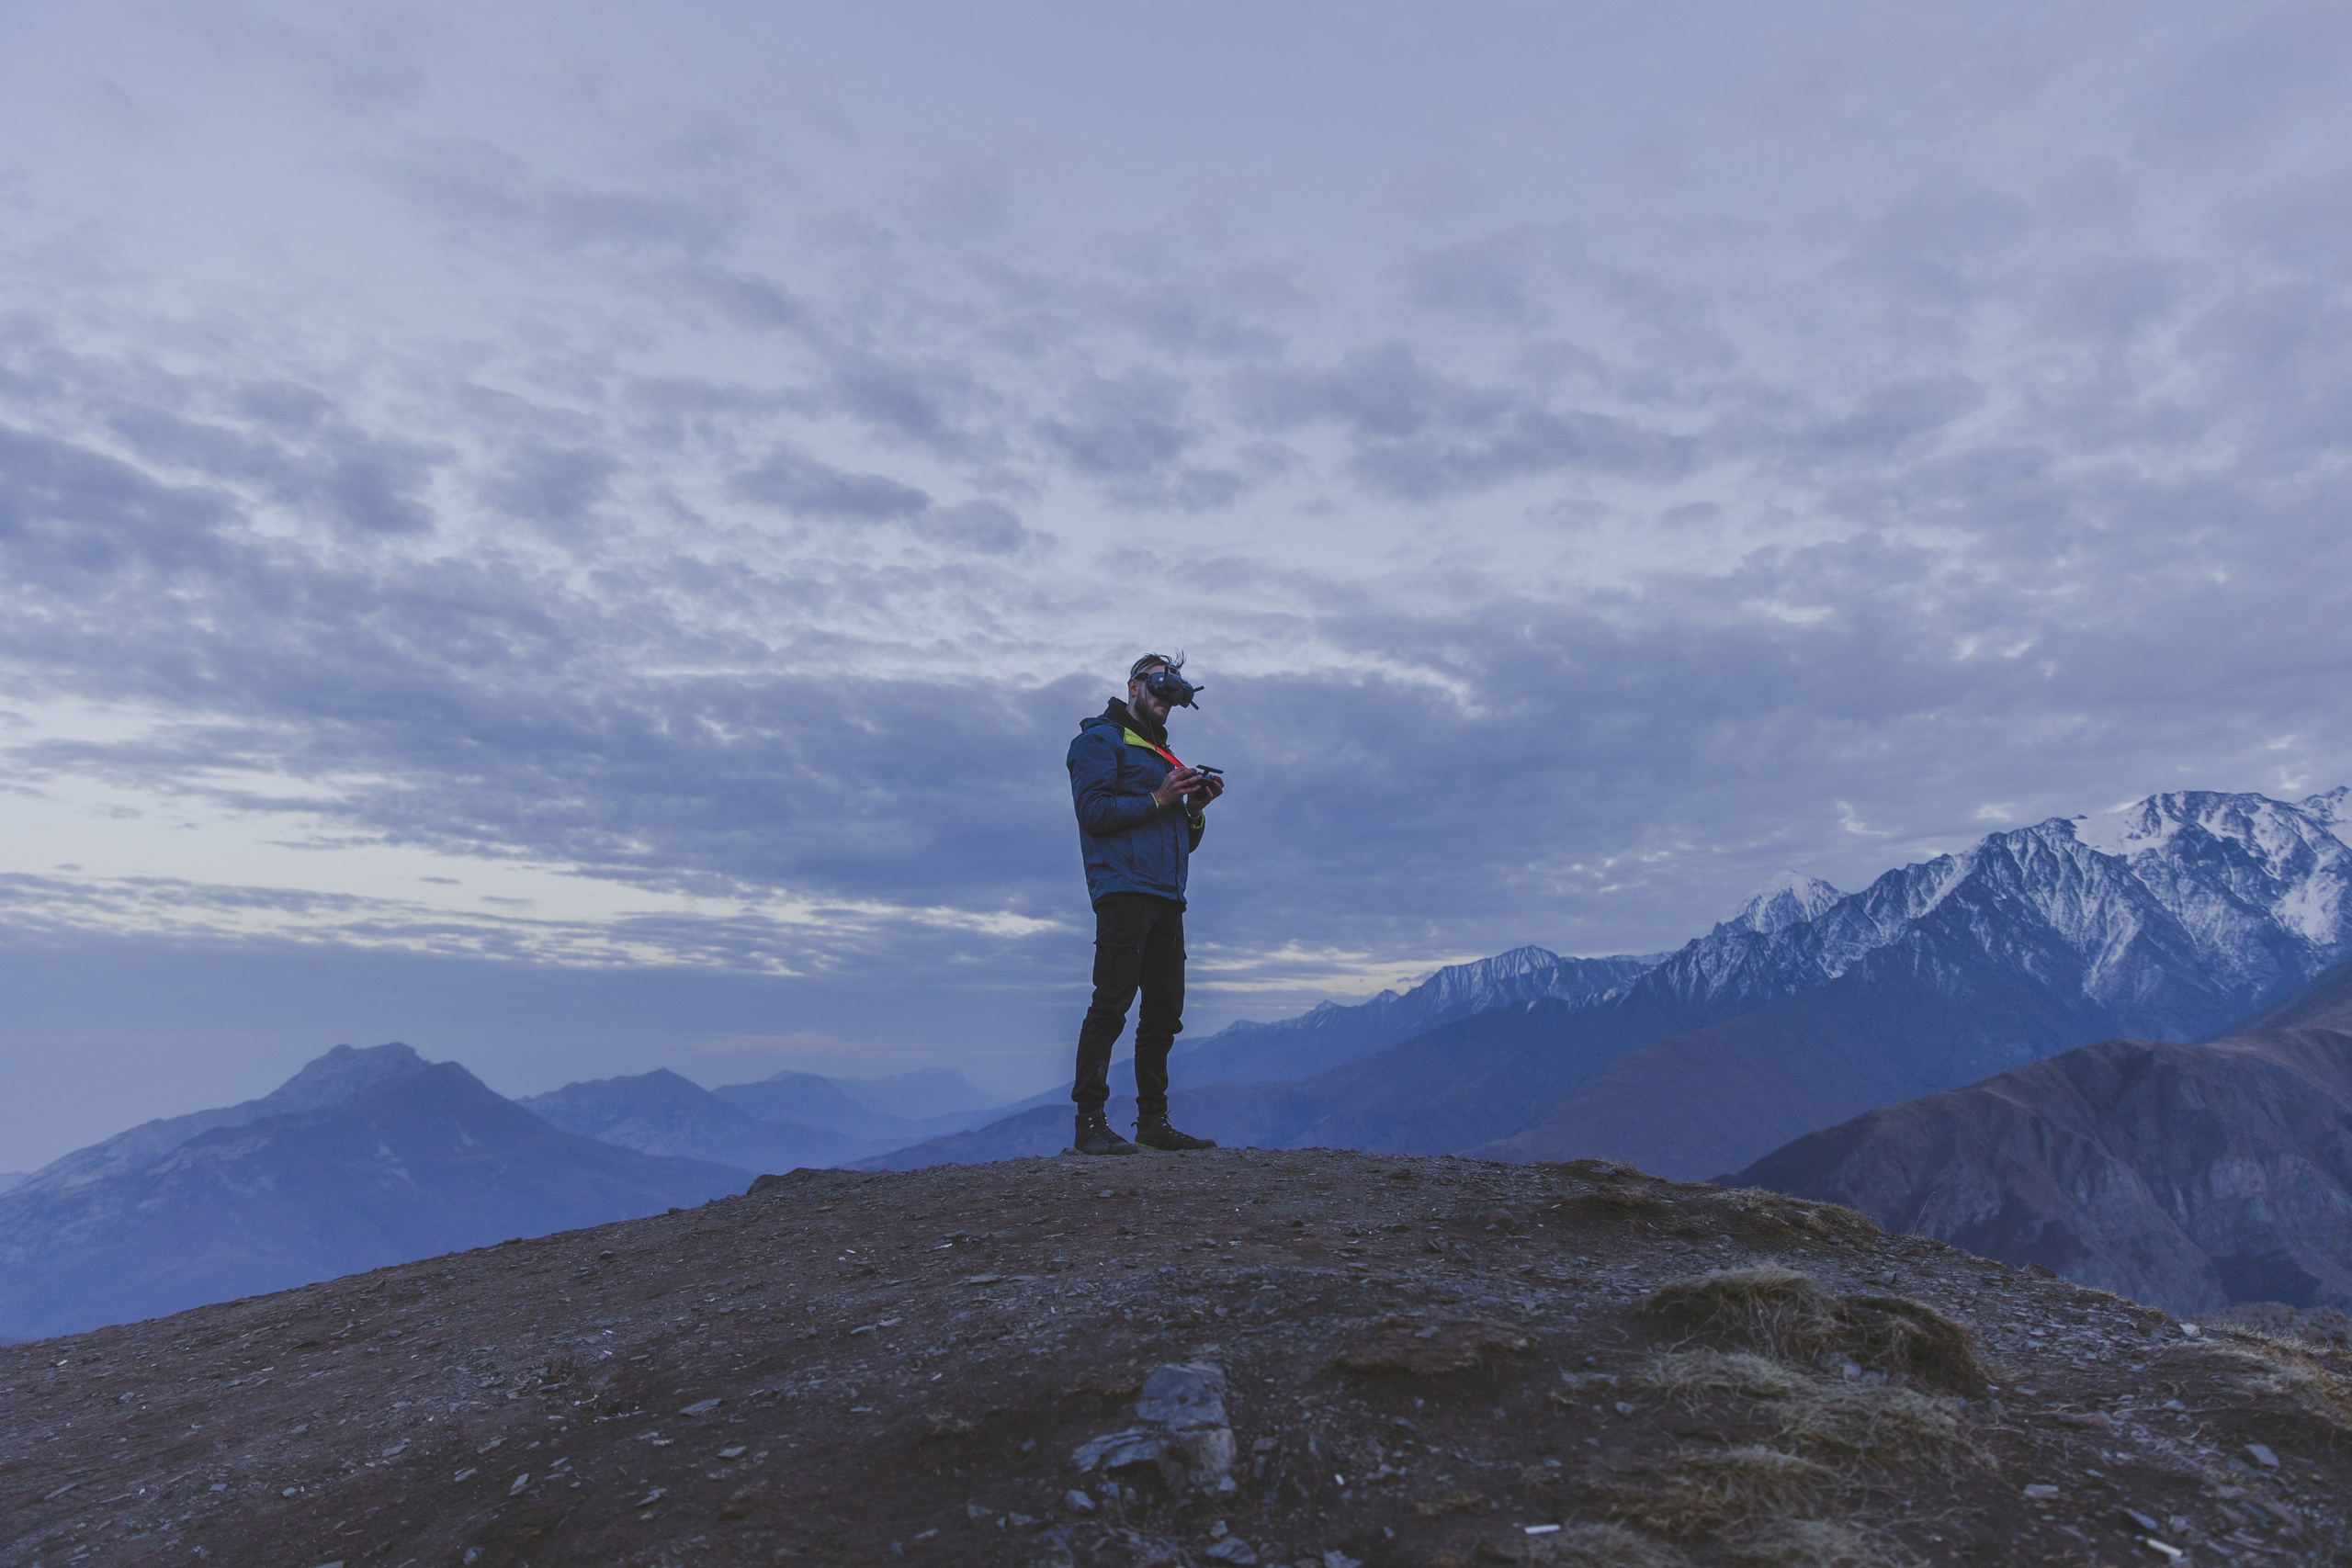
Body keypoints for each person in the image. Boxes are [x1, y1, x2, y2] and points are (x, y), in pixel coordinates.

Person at [1064, 652, 1227, 1156]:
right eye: (1157, 688)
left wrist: (1193, 811)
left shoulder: (1165, 758)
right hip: (1122, 891)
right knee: (1111, 1005)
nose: (1164, 700)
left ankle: (1153, 1122)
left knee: (1163, 1012)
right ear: (1133, 686)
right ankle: (1090, 1123)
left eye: (1172, 693)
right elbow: (1092, 813)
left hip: (1167, 895)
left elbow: (1183, 838)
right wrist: (1159, 798)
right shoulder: (1098, 741)